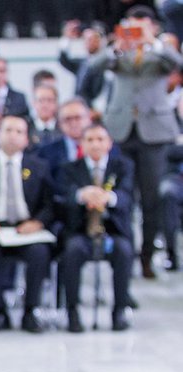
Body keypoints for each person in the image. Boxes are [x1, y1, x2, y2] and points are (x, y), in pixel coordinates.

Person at [89, 5, 183, 278]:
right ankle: (124, 255)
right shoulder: (119, 51)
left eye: (141, 25)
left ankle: (147, 256)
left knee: (151, 199)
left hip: (153, 132)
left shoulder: (160, 52)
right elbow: (94, 66)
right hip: (120, 130)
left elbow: (178, 63)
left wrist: (152, 42)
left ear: (153, 26)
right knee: (121, 197)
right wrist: (118, 45)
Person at [0, 115, 57, 333]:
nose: (13, 136)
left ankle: (30, 311)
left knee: (40, 252)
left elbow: (50, 205)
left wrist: (37, 223)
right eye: (8, 130)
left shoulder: (40, 167)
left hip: (26, 229)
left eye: (19, 132)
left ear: (26, 139)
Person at [57, 124, 135, 332]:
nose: (96, 144)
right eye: (90, 139)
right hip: (82, 231)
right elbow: (63, 197)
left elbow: (127, 197)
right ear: (82, 144)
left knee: (124, 252)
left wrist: (108, 198)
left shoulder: (123, 166)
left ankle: (119, 310)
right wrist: (82, 196)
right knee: (72, 251)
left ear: (109, 143)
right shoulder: (70, 168)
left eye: (100, 139)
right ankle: (72, 311)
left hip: (112, 230)